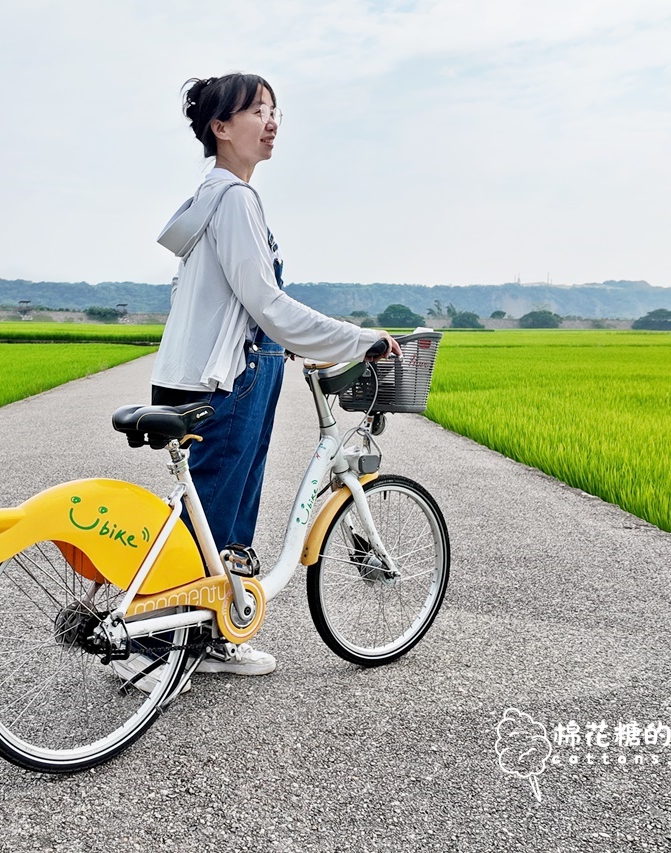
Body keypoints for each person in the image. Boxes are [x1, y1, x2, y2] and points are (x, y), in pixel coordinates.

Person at [148, 72, 401, 677]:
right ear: (220, 127)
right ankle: (159, 644)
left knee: (219, 516)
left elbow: (233, 306)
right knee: (214, 508)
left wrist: (289, 346)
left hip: (204, 371)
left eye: (274, 110)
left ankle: (207, 640)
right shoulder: (235, 199)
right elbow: (266, 301)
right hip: (227, 379)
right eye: (256, 110)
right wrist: (358, 339)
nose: (271, 121)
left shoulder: (208, 200)